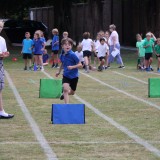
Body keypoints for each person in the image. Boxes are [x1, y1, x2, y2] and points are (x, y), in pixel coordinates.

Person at [55, 38, 82, 104]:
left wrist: (72, 67)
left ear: (71, 46)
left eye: (69, 45)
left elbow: (80, 65)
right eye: (66, 44)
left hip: (74, 76)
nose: (67, 46)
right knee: (65, 89)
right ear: (62, 46)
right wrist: (59, 71)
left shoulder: (73, 55)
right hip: (66, 75)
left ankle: (64, 95)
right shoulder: (62, 55)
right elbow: (62, 63)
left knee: (72, 92)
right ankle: (66, 105)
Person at [0, 21, 14, 119]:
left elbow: (3, 53)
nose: (0, 28)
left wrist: (5, 54)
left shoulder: (2, 39)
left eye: (1, 27)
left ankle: (1, 111)